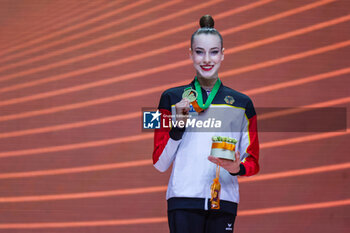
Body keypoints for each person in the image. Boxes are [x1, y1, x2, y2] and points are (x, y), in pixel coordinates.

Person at [152, 15, 259, 233]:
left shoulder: (242, 103)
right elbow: (159, 163)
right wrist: (177, 130)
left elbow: (253, 161)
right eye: (199, 52)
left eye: (214, 52)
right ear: (190, 54)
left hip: (224, 200)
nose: (206, 59)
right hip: (183, 200)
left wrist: (237, 168)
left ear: (222, 55)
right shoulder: (170, 98)